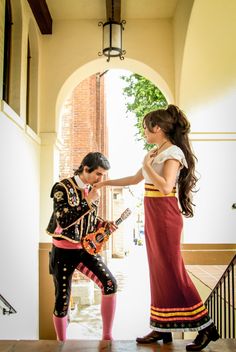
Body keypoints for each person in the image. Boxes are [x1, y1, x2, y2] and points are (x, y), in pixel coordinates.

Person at [94, 105, 220, 351]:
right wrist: (104, 183)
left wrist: (147, 164)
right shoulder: (156, 151)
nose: (145, 133)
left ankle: (207, 328)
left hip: (165, 216)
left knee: (173, 272)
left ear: (158, 129)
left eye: (146, 129)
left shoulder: (172, 153)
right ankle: (163, 327)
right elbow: (134, 179)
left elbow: (165, 186)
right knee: (158, 272)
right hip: (154, 215)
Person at [46, 152, 118, 342]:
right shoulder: (62, 187)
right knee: (62, 300)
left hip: (86, 250)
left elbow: (90, 222)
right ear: (86, 169)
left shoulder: (92, 190)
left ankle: (107, 337)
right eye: (98, 174)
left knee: (110, 284)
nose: (100, 179)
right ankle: (62, 343)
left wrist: (104, 225)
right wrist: (88, 200)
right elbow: (64, 219)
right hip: (62, 252)